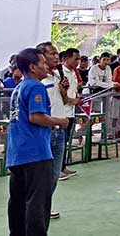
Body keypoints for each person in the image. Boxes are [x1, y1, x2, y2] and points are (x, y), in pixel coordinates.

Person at [7, 48, 70, 236]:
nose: (46, 65)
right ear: (33, 67)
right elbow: (36, 117)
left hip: (17, 153)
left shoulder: (18, 88)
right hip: (35, 153)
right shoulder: (36, 87)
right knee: (38, 202)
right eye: (42, 62)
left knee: (18, 201)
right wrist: (60, 121)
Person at [36, 42, 72, 220]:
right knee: (41, 174)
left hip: (59, 132)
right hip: (45, 132)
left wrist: (64, 91)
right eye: (52, 53)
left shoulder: (57, 76)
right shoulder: (38, 81)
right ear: (41, 57)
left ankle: (44, 206)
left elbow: (63, 101)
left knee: (54, 175)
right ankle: (35, 209)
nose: (56, 57)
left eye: (57, 53)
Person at [58, 48, 81, 178]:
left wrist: (77, 98)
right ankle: (57, 169)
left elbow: (73, 90)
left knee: (65, 141)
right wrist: (72, 100)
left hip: (70, 112)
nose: (78, 61)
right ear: (66, 59)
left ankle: (62, 166)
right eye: (75, 59)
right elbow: (59, 94)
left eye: (79, 59)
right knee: (59, 142)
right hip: (61, 112)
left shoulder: (73, 73)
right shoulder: (60, 73)